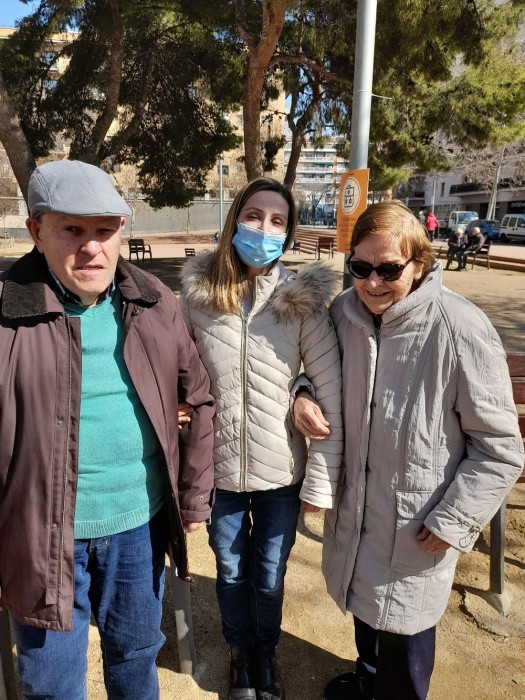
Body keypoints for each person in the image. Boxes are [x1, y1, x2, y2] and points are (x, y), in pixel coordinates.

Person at [0, 159, 216, 699]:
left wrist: (193, 497)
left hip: (138, 527)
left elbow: (197, 398)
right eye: (72, 230)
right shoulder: (5, 313)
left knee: (136, 659)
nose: (92, 248)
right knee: (51, 683)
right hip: (40, 537)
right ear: (36, 231)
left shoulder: (153, 301)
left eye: (105, 230)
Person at [295, 200, 523, 700]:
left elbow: (500, 449)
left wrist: (453, 521)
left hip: (417, 526)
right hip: (357, 513)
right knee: (365, 615)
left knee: (404, 639)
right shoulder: (342, 313)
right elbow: (316, 371)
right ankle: (367, 679)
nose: (373, 282)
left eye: (389, 269)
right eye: (360, 268)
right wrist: (303, 393)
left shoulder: (460, 328)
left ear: (418, 263)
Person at [180, 177, 343, 700]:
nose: (263, 229)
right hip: (219, 470)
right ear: (234, 220)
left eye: (277, 221)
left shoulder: (302, 303)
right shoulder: (198, 296)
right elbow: (177, 366)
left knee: (270, 573)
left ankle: (265, 652)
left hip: (281, 473)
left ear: (289, 233)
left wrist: (301, 392)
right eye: (253, 216)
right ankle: (239, 653)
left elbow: (328, 387)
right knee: (230, 571)